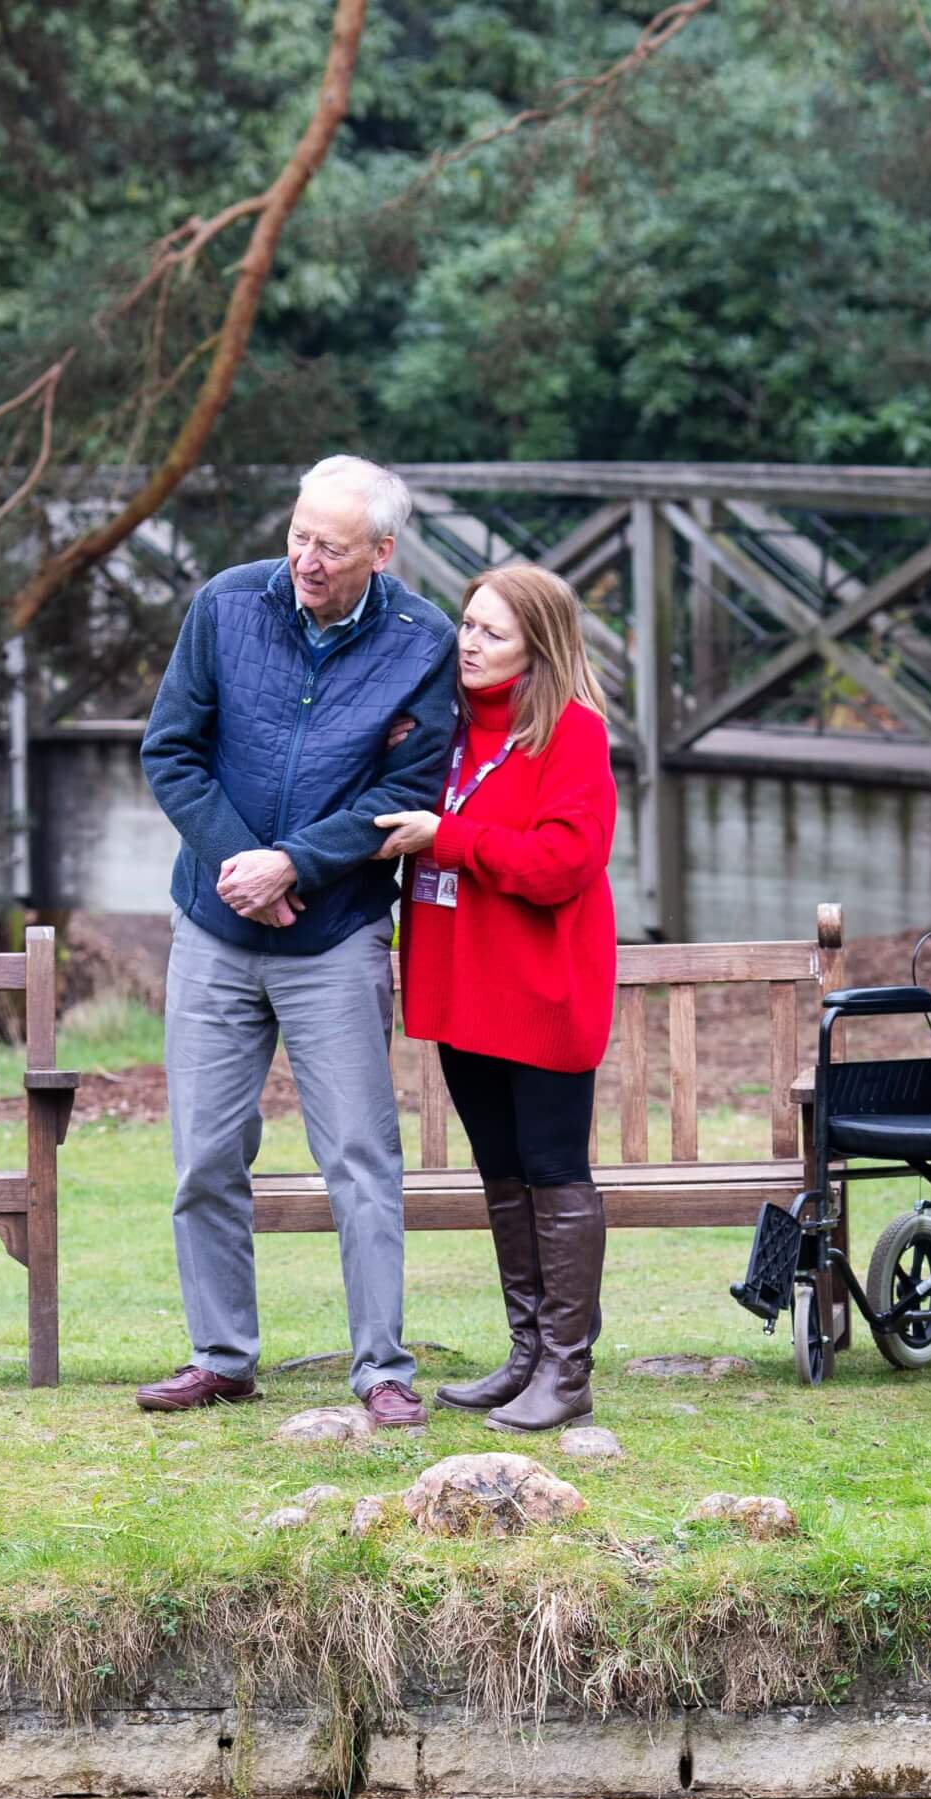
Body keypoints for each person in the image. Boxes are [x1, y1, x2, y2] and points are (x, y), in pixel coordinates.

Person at [135, 455, 459, 1426]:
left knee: (360, 1157)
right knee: (204, 1155)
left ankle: (382, 1368)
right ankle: (221, 1356)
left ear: (382, 552)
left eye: (332, 546)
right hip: (213, 926)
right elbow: (172, 750)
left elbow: (407, 793)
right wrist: (246, 864)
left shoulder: (422, 641)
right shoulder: (226, 606)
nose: (307, 560)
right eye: (299, 535)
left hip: (336, 936)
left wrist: (298, 868)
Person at [375, 564, 617, 1433]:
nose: (467, 644)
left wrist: (451, 838)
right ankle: (525, 1355)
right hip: (461, 989)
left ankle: (567, 1369)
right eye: (466, 627)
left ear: (538, 647)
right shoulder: (441, 731)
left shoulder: (571, 734)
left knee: (553, 1173)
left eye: (491, 633)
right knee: (502, 1174)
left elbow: (561, 865)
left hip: (541, 990)